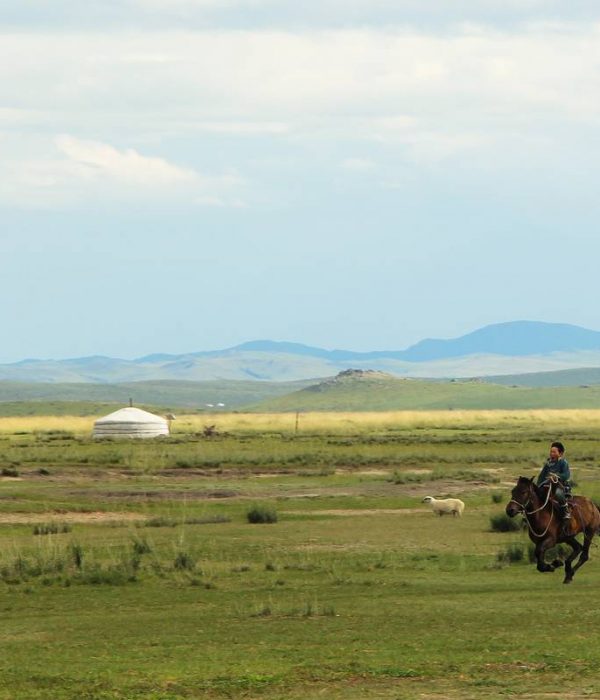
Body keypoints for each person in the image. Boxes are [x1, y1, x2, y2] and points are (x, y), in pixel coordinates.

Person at [536, 441, 572, 525]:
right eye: (551, 451)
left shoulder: (563, 463)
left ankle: (566, 511)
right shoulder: (548, 464)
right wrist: (538, 486)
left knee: (558, 494)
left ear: (560, 453)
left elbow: (566, 475)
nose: (551, 453)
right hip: (547, 484)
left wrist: (556, 476)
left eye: (554, 452)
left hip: (560, 485)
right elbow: (541, 476)